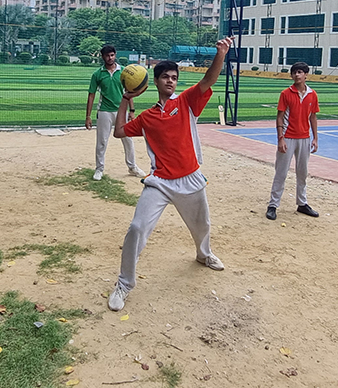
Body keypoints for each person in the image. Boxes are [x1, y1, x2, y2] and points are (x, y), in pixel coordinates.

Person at [107, 36, 234, 311]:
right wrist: (125, 100)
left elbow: (208, 80)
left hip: (190, 178)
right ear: (155, 81)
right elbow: (118, 132)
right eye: (165, 77)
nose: (170, 81)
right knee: (137, 228)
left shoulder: (187, 102)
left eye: (174, 77)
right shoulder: (148, 117)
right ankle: (124, 284)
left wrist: (220, 54)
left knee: (203, 227)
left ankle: (204, 255)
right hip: (160, 182)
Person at [266, 61, 320, 220]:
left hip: (304, 138)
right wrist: (280, 138)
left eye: (300, 72)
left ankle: (302, 203)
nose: (297, 75)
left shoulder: (312, 94)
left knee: (302, 172)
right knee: (281, 173)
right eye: (294, 72)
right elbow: (280, 116)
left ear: (306, 75)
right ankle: (273, 205)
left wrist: (316, 138)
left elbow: (313, 116)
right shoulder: (286, 93)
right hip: (288, 137)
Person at [86, 44, 145, 181]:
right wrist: (88, 116)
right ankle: (99, 169)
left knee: (128, 140)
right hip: (104, 111)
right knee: (102, 142)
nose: (110, 58)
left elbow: (128, 92)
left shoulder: (124, 72)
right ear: (102, 57)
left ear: (115, 55)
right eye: (107, 55)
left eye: (112, 55)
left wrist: (132, 110)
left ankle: (132, 167)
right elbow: (91, 95)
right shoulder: (97, 74)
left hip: (121, 111)